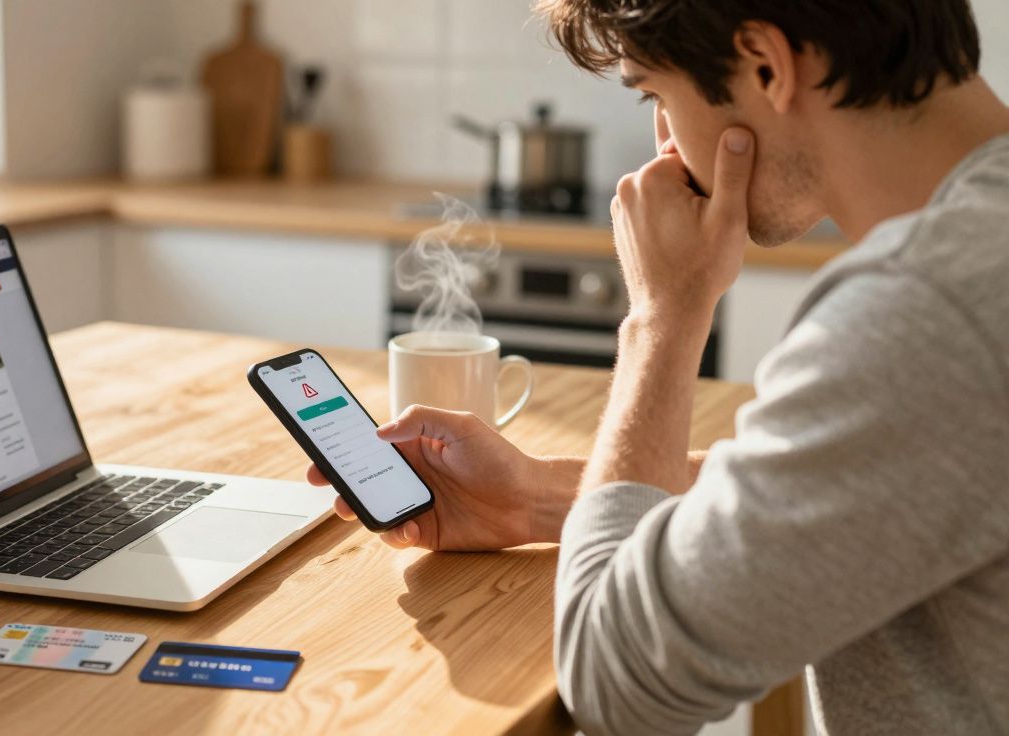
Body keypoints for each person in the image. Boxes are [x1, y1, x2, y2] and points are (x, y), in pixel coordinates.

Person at [306, 1, 1009, 733]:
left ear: (767, 66)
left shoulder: (927, 311)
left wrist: (662, 317)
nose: (663, 145)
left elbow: (615, 684)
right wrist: (534, 496)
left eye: (654, 94)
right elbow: (858, 485)